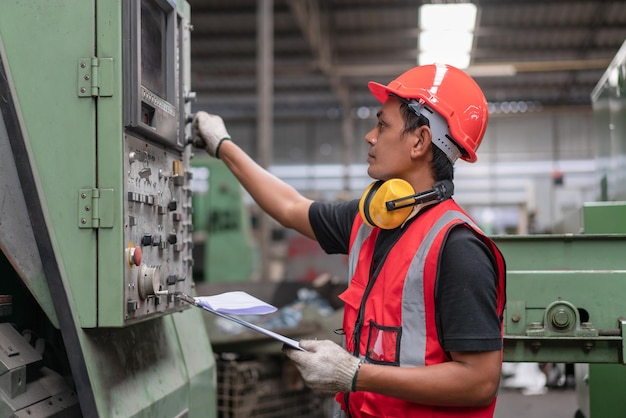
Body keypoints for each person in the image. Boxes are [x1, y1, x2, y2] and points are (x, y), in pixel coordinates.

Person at [192, 63, 506, 418]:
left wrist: (354, 374)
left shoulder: (457, 247)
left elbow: (479, 382)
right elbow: (290, 207)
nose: (370, 136)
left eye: (382, 125)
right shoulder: (369, 220)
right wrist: (223, 145)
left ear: (419, 140)